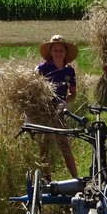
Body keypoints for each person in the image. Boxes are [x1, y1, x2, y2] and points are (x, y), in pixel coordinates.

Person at [36, 34, 79, 179]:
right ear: (51, 51)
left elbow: (73, 93)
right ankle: (47, 180)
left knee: (64, 145)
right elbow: (33, 88)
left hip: (59, 112)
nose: (58, 53)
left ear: (65, 52)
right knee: (44, 146)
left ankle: (76, 179)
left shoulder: (69, 71)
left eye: (61, 50)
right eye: (55, 50)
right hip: (44, 112)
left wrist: (65, 103)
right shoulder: (43, 69)